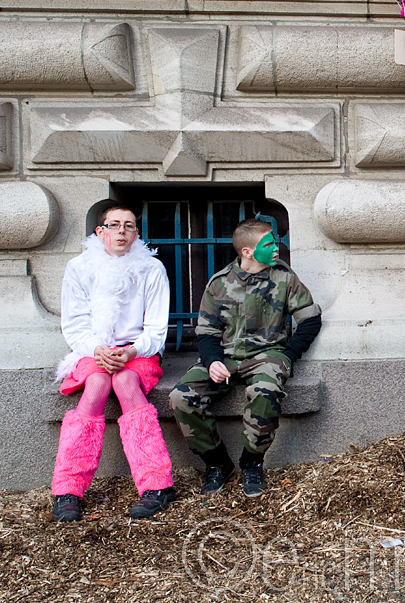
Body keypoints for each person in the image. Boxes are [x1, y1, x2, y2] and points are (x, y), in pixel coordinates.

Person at [170, 218, 322, 497]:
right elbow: (206, 332)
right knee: (181, 396)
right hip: (224, 356)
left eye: (274, 241)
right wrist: (213, 361)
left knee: (266, 391)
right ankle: (217, 464)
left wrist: (288, 356)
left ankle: (252, 464)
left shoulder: (284, 277)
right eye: (268, 244)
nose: (275, 247)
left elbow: (310, 320)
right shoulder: (219, 284)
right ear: (247, 252)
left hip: (268, 356)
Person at [52, 203, 174, 522]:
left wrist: (131, 352)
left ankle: (156, 486)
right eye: (115, 225)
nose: (122, 231)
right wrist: (97, 350)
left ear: (136, 234)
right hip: (94, 351)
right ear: (100, 231)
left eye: (129, 226)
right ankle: (68, 490)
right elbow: (75, 324)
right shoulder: (79, 268)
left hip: (139, 353)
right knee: (96, 385)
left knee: (124, 382)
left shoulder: (151, 269)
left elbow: (156, 330)